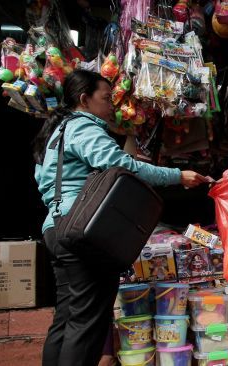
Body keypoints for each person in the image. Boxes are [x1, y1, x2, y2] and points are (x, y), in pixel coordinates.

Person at [33, 70, 209, 366]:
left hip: (55, 230)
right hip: (82, 232)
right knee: (86, 323)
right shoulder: (84, 127)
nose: (112, 105)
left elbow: (43, 182)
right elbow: (120, 166)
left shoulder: (54, 134)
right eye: (105, 98)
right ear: (84, 99)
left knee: (65, 319)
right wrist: (177, 176)